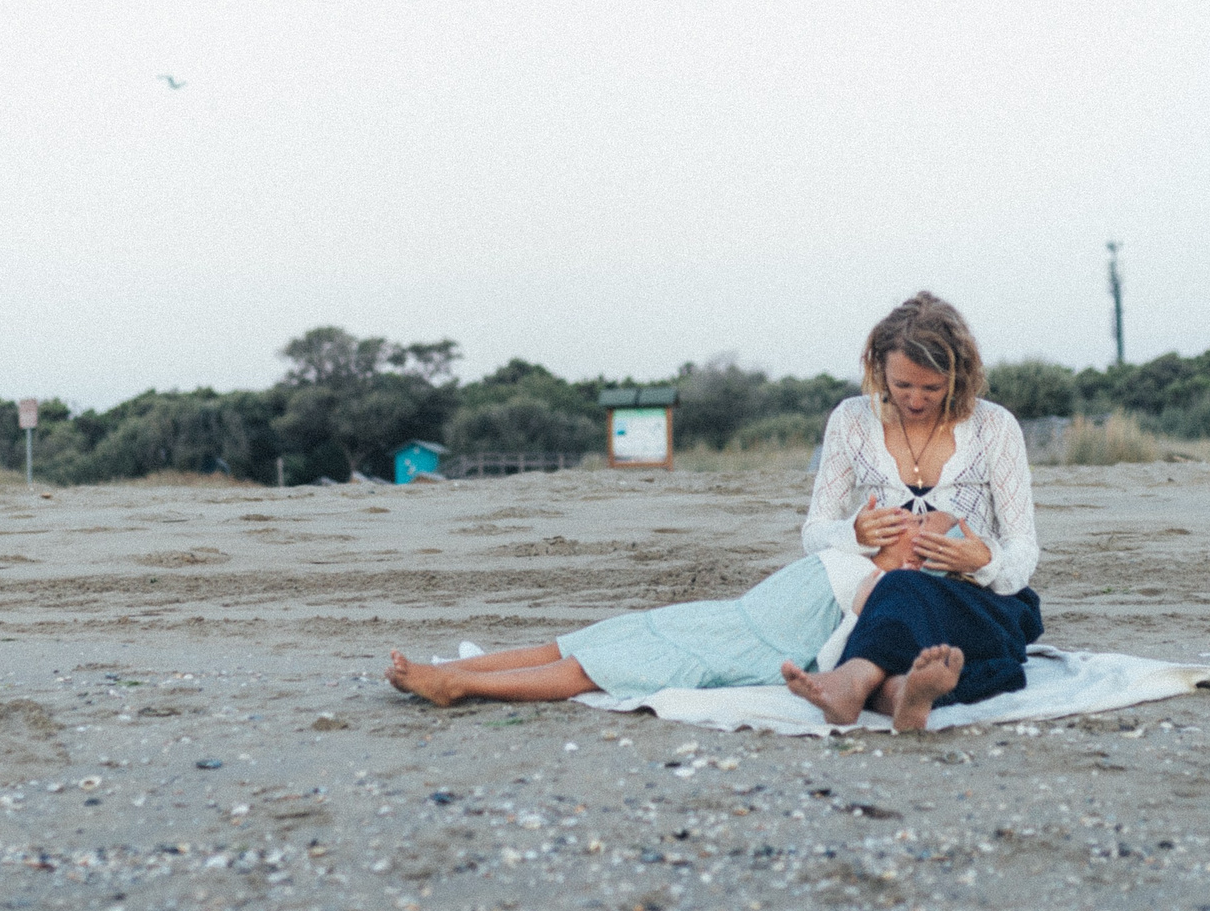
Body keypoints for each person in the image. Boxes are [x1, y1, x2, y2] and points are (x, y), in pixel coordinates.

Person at [781, 292, 1041, 729]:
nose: (915, 400)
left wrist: (985, 561)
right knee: (902, 596)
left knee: (912, 596)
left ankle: (850, 682)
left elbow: (1024, 548)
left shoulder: (995, 427)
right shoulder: (850, 420)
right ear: (878, 367)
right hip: (879, 592)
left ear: (958, 377)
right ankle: (903, 694)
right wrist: (854, 534)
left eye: (932, 388)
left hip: (975, 597)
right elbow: (815, 532)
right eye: (902, 385)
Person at [385, 520, 925, 708]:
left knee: (592, 669)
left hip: (737, 646)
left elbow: (865, 626)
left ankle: (457, 685)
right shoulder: (848, 550)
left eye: (926, 530)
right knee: (574, 644)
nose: (911, 523)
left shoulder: (882, 583)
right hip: (716, 618)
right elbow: (820, 528)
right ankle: (453, 672)